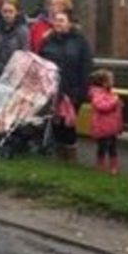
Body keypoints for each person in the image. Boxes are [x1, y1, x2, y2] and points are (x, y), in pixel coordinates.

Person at [40, 11, 93, 161]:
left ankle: (71, 157)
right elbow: (41, 61)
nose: (58, 23)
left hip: (72, 90)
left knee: (68, 124)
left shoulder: (79, 41)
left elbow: (86, 65)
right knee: (56, 123)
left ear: (69, 23)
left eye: (62, 20)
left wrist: (82, 90)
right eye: (56, 20)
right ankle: (59, 156)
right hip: (53, 89)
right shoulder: (48, 40)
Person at [89, 69, 124, 175]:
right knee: (102, 147)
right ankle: (101, 166)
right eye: (111, 80)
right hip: (102, 127)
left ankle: (113, 166)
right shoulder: (97, 94)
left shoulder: (109, 93)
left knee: (113, 147)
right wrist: (114, 102)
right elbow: (101, 106)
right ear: (104, 83)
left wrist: (118, 104)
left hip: (111, 126)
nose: (113, 82)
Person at [0, 0, 28, 82]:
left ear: (16, 12)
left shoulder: (22, 31)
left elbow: (25, 53)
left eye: (11, 11)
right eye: (5, 11)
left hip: (15, 74)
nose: (7, 15)